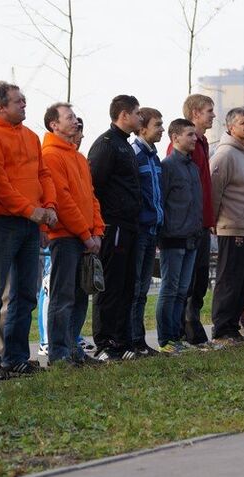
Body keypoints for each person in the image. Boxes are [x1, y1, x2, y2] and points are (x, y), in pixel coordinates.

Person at [0, 81, 57, 378]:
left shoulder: (31, 136)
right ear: (0, 107)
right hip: (3, 222)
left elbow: (43, 173)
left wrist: (48, 206)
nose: (24, 104)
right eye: (18, 101)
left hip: (31, 222)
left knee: (25, 293)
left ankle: (16, 356)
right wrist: (31, 210)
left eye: (24, 100)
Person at [43, 102, 104, 366]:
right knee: (63, 296)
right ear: (53, 124)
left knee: (80, 296)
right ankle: (58, 353)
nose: (76, 121)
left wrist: (97, 230)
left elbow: (91, 198)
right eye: (69, 118)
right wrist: (85, 233)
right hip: (66, 237)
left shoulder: (78, 157)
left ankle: (73, 349)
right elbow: (63, 200)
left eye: (76, 117)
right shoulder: (51, 155)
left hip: (85, 237)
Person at [88, 95, 142, 361]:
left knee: (126, 285)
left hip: (130, 225)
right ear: (124, 115)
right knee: (110, 285)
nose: (140, 118)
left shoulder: (125, 145)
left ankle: (122, 340)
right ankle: (106, 342)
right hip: (114, 225)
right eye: (137, 113)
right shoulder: (106, 145)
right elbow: (93, 184)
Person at [210, 107, 244, 347]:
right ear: (231, 127)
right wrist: (214, 221)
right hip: (232, 228)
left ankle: (233, 328)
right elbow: (214, 190)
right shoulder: (225, 155)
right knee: (229, 280)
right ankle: (222, 330)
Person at [156, 119, 203, 353]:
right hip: (172, 238)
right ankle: (165, 339)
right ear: (175, 138)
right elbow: (160, 201)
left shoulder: (193, 168)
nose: (195, 138)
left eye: (195, 135)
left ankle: (176, 336)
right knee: (170, 288)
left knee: (183, 290)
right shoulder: (167, 166)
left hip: (192, 238)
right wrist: (162, 234)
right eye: (189, 135)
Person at [177, 94, 215, 348]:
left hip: (202, 222)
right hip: (190, 224)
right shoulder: (184, 145)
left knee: (200, 278)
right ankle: (185, 329)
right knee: (187, 281)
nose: (213, 115)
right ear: (195, 114)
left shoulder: (202, 143)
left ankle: (193, 326)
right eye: (208, 111)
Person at [130, 107, 164, 356]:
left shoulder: (154, 157)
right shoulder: (135, 155)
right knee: (134, 287)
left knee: (143, 288)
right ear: (142, 129)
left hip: (152, 229)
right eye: (157, 125)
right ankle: (132, 338)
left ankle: (139, 340)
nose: (162, 129)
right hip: (139, 229)